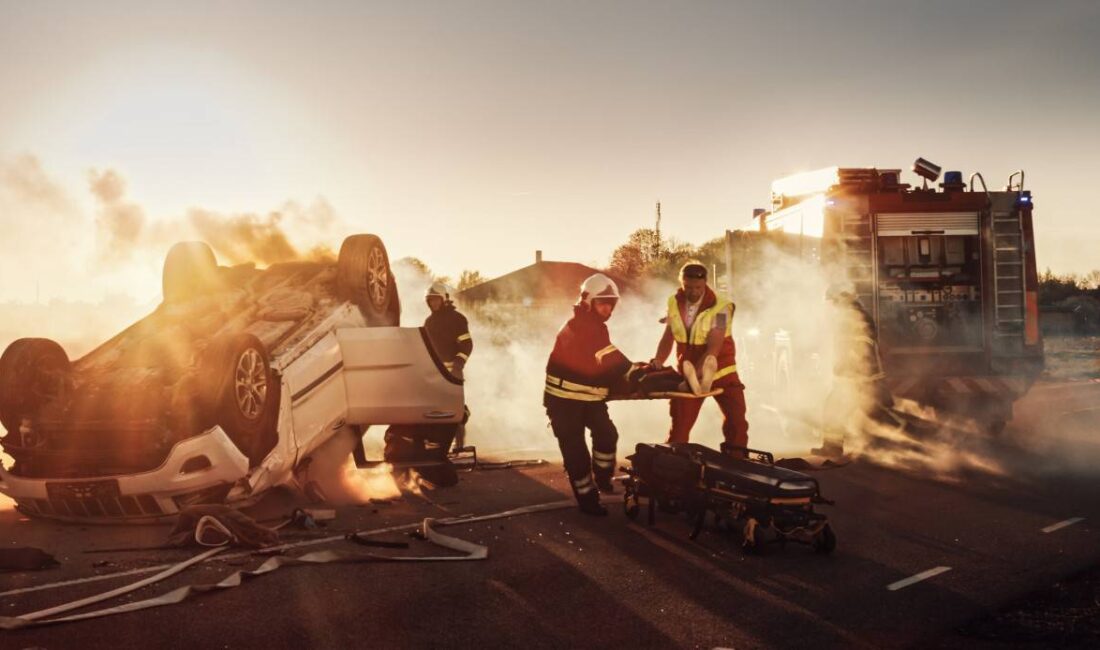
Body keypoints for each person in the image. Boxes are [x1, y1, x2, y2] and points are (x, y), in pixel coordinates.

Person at [545, 273, 644, 516]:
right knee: (577, 454)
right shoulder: (582, 325)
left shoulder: (595, 325)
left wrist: (633, 372)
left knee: (607, 435)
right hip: (564, 403)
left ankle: (602, 478)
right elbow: (610, 358)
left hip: (589, 399)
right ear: (588, 302)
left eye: (610, 304)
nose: (607, 309)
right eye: (602, 303)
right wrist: (635, 373)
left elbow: (599, 364)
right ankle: (588, 501)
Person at [375, 282, 473, 486]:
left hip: (451, 375)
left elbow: (466, 344)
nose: (433, 303)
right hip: (430, 376)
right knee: (430, 413)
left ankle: (454, 446)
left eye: (436, 299)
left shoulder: (457, 319)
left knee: (453, 412)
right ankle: (426, 451)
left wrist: (458, 362)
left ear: (444, 299)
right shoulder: (429, 322)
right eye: (430, 300)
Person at [650, 262, 749, 451]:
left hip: (722, 375)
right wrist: (659, 360)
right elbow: (668, 335)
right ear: (681, 283)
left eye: (698, 287)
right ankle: (673, 467)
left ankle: (736, 465)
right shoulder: (673, 302)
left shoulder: (722, 308)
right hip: (689, 375)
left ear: (705, 283)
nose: (693, 292)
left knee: (737, 424)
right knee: (680, 427)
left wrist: (693, 376)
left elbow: (714, 348)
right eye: (688, 287)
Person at [814, 285, 894, 457]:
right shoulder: (857, 315)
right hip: (864, 375)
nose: (831, 307)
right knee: (872, 411)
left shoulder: (849, 318)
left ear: (838, 301)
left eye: (832, 303)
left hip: (856, 375)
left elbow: (857, 347)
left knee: (833, 409)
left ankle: (833, 447)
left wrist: (845, 367)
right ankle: (881, 447)